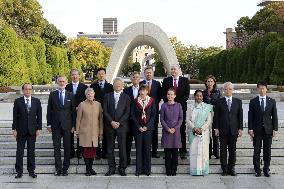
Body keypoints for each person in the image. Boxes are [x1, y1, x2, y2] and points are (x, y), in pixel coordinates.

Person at [47, 76, 76, 176]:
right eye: (60, 81)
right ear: (57, 82)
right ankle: (58, 168)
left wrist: (73, 125)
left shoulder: (71, 95)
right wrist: (49, 124)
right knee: (56, 147)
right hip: (55, 126)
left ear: (66, 82)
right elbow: (49, 110)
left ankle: (65, 168)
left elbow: (73, 112)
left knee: (67, 147)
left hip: (67, 126)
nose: (62, 83)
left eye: (63, 81)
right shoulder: (52, 95)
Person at [248, 81, 278, 177]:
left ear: (266, 89)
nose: (261, 90)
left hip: (268, 130)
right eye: (260, 88)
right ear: (257, 89)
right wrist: (250, 129)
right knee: (256, 151)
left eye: (263, 88)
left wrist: (275, 129)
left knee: (267, 151)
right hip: (256, 130)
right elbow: (250, 116)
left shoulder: (272, 101)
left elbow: (275, 116)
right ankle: (257, 170)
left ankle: (266, 169)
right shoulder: (253, 101)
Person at [12, 83, 42, 179]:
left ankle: (31, 171)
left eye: (29, 89)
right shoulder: (17, 101)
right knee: (19, 152)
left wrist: (39, 128)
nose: (28, 91)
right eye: (26, 89)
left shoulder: (37, 101)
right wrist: (14, 129)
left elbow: (39, 116)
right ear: (23, 90)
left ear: (32, 90)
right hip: (21, 130)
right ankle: (19, 172)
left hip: (32, 130)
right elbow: (15, 117)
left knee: (31, 152)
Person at [214, 82, 243, 176]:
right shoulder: (219, 101)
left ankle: (232, 168)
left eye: (230, 89)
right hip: (222, 130)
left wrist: (240, 128)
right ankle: (224, 168)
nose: (228, 90)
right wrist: (216, 128)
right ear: (223, 90)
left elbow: (240, 116)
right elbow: (216, 116)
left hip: (234, 130)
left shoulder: (238, 101)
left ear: (233, 90)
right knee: (222, 150)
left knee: (232, 150)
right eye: (226, 89)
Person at [103, 77, 131, 176]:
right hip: (110, 126)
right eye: (116, 84)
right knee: (110, 149)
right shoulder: (107, 96)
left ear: (122, 85)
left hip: (122, 127)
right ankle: (111, 168)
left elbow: (127, 112)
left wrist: (119, 122)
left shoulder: (126, 97)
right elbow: (105, 111)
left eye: (119, 84)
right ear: (113, 85)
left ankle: (122, 168)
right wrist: (111, 122)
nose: (118, 85)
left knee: (122, 148)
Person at [162, 64, 190, 159]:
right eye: (172, 69)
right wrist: (171, 103)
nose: (173, 71)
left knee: (181, 129)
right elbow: (163, 94)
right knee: (168, 129)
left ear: (179, 70)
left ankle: (182, 151)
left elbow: (186, 94)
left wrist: (177, 104)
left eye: (175, 69)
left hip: (181, 108)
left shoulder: (185, 80)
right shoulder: (166, 81)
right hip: (168, 109)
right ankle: (168, 151)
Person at [75, 88, 103, 176]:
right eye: (88, 94)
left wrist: (101, 132)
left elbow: (100, 120)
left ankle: (91, 168)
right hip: (85, 133)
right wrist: (77, 131)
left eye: (91, 94)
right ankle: (87, 169)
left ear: (94, 94)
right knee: (86, 152)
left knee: (93, 152)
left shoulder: (98, 105)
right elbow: (78, 119)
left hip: (95, 132)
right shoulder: (81, 105)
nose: (90, 95)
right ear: (86, 95)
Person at [131, 85, 156, 176]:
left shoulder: (151, 101)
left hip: (148, 129)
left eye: (144, 91)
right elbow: (132, 115)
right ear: (139, 92)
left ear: (147, 92)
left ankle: (147, 170)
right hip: (138, 129)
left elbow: (153, 115)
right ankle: (138, 170)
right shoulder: (135, 101)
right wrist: (138, 127)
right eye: (140, 91)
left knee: (147, 149)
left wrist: (147, 126)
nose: (142, 92)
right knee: (139, 150)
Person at [187, 90, 213, 176]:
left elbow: (208, 121)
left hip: (204, 133)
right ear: (194, 96)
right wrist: (194, 128)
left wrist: (201, 129)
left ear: (203, 97)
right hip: (193, 133)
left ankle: (203, 170)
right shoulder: (190, 107)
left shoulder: (207, 107)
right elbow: (187, 120)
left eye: (201, 96)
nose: (199, 97)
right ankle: (195, 171)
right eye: (197, 95)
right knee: (194, 152)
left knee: (203, 152)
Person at [90, 68, 113, 159]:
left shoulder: (110, 86)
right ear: (97, 75)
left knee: (106, 133)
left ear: (105, 75)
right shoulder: (93, 86)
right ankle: (97, 152)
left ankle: (105, 152)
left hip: (106, 113)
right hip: (95, 113)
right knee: (95, 133)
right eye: (99, 74)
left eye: (103, 73)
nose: (101, 75)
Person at [160, 87, 183, 176]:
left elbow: (181, 119)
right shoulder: (164, 105)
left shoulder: (178, 105)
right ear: (166, 95)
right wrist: (167, 128)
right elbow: (162, 119)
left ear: (175, 95)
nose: (170, 96)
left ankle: (174, 170)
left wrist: (175, 128)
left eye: (171, 94)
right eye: (168, 94)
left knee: (175, 153)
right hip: (167, 132)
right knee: (167, 153)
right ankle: (168, 170)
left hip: (175, 133)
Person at [65, 69, 88, 159]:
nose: (74, 76)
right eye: (72, 75)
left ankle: (80, 152)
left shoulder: (84, 87)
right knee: (69, 133)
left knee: (80, 133)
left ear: (79, 76)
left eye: (76, 75)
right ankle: (71, 152)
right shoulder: (67, 87)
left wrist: (80, 107)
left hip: (81, 113)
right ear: (70, 76)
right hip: (69, 114)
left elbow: (87, 99)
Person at [140, 66, 162, 158]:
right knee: (143, 131)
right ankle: (145, 151)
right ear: (144, 74)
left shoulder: (157, 84)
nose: (148, 74)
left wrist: (153, 104)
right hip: (142, 111)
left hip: (154, 112)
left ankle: (154, 151)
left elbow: (160, 96)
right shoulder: (141, 83)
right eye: (147, 72)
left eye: (150, 72)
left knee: (154, 131)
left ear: (152, 73)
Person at [123, 71, 140, 165]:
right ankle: (127, 160)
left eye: (137, 77)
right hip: (128, 121)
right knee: (127, 142)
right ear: (131, 79)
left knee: (138, 143)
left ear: (139, 79)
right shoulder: (126, 90)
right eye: (133, 77)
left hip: (139, 121)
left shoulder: (143, 90)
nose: (135, 79)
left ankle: (139, 161)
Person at [202, 75, 221, 159]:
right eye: (208, 81)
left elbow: (219, 104)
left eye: (211, 81)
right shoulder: (203, 93)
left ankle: (216, 153)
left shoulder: (218, 92)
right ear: (206, 83)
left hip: (216, 115)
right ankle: (208, 153)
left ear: (214, 82)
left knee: (215, 134)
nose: (209, 83)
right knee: (207, 134)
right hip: (206, 115)